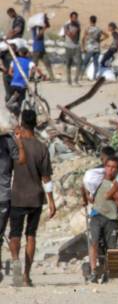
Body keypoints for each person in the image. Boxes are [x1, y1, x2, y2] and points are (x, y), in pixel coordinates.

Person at [9, 110, 55, 287]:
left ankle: (15, 264)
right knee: (31, 235)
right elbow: (46, 178)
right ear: (36, 124)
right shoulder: (42, 148)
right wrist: (51, 201)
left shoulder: (15, 145)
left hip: (17, 196)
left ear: (21, 123)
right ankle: (27, 276)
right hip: (36, 197)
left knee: (14, 234)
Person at [85, 155, 118, 283]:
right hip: (96, 216)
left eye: (114, 168)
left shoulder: (117, 184)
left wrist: (116, 198)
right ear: (104, 167)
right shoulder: (96, 181)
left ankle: (107, 271)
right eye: (109, 167)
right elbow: (86, 189)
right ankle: (94, 270)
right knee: (93, 242)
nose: (111, 170)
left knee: (110, 247)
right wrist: (86, 197)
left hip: (111, 218)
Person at [0, 122, 27, 280]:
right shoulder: (8, 140)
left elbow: (21, 161)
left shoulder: (8, 140)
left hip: (4, 196)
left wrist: (19, 143)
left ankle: (14, 267)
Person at [6, 47, 42, 118]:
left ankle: (13, 111)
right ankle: (19, 117)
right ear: (27, 54)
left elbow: (10, 72)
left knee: (14, 98)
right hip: (22, 85)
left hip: (13, 84)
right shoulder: (29, 62)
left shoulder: (14, 61)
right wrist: (41, 76)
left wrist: (16, 76)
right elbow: (36, 70)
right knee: (21, 103)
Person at [30, 15, 54, 80]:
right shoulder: (37, 27)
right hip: (37, 49)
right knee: (34, 64)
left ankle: (52, 77)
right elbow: (37, 37)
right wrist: (44, 28)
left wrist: (46, 21)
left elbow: (48, 25)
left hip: (42, 48)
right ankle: (31, 77)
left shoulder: (40, 26)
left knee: (47, 63)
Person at [63, 11, 83, 86]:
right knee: (68, 64)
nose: (74, 19)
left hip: (76, 46)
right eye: (73, 17)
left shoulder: (78, 25)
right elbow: (68, 34)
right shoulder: (66, 25)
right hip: (68, 46)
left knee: (79, 63)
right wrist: (69, 33)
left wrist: (70, 33)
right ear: (70, 17)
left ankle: (76, 80)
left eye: (76, 17)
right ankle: (69, 81)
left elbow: (73, 35)